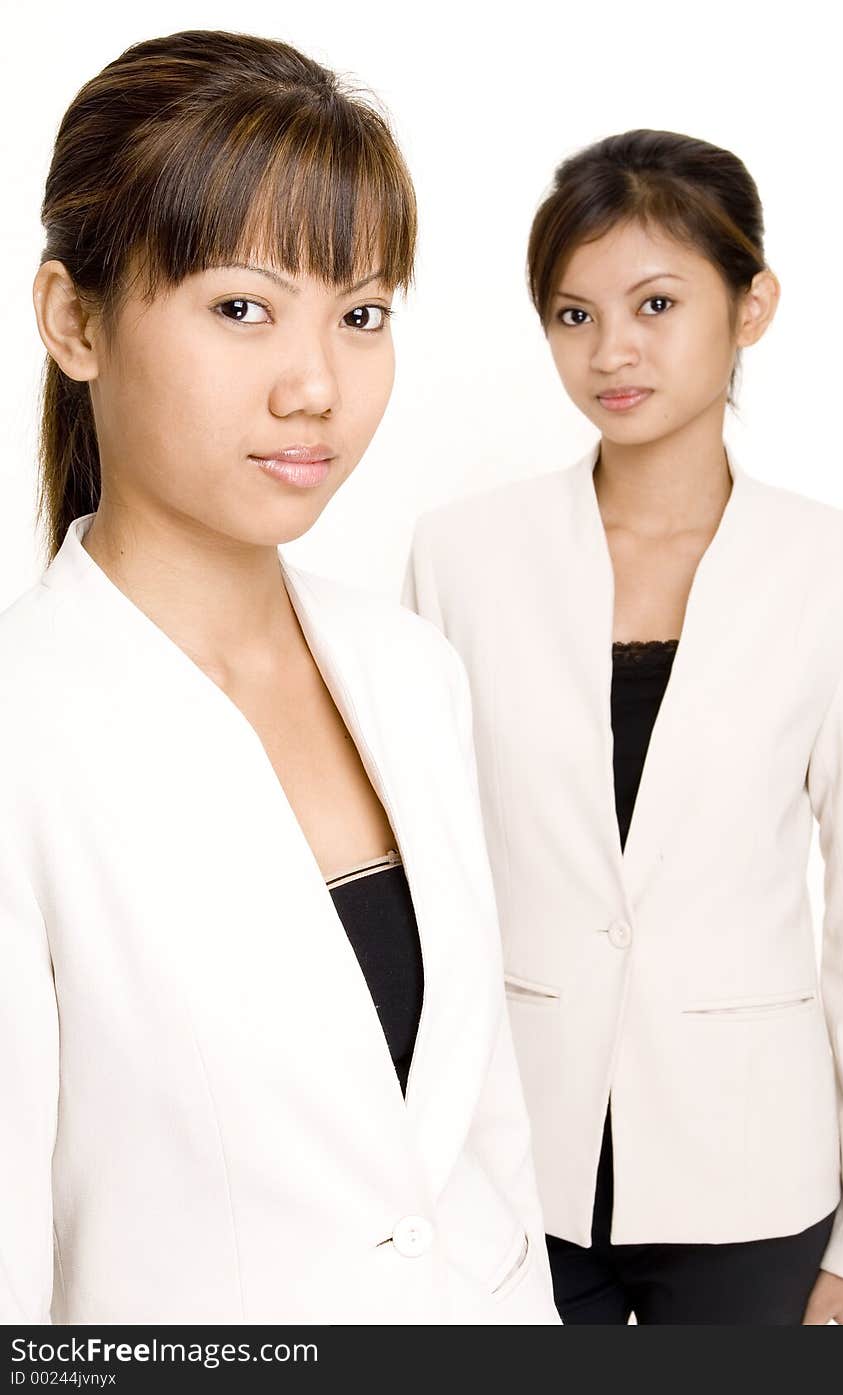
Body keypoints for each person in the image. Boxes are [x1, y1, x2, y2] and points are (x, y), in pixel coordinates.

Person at [0, 28, 559, 1326]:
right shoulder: (24, 731)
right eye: (242, 307)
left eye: (361, 315)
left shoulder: (413, 672)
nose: (317, 384)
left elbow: (483, 1147)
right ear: (73, 320)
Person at [401, 128, 843, 1324]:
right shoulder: (463, 557)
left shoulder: (841, 574)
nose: (610, 351)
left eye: (655, 303)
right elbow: (424, 884)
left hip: (753, 1178)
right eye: (572, 315)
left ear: (751, 305)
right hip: (505, 1169)